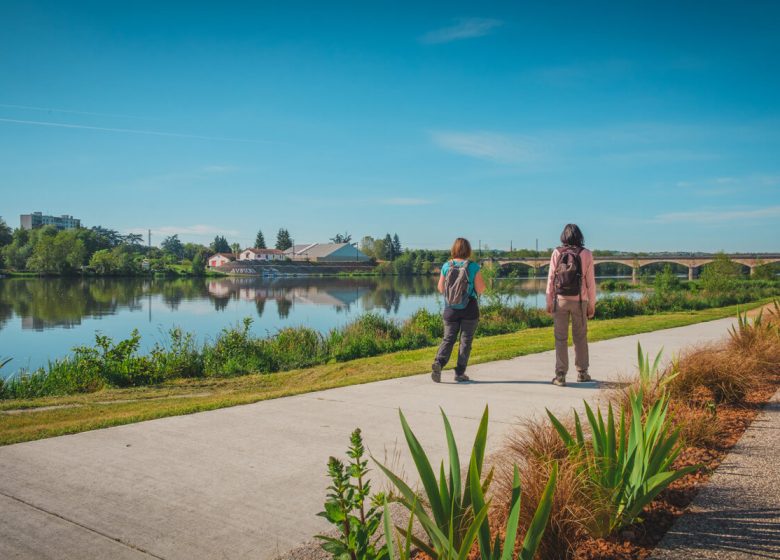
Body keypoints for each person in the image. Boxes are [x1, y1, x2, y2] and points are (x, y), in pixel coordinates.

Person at [545, 224, 596, 386]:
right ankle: (582, 373)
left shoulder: (556, 253)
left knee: (560, 338)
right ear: (579, 236)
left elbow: (551, 279)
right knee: (580, 337)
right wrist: (591, 304)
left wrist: (549, 301)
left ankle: (560, 375)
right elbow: (590, 282)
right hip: (580, 301)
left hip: (560, 300)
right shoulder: (586, 254)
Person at [431, 237, 486, 383]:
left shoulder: (446, 266)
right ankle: (460, 373)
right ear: (468, 250)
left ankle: (439, 362)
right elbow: (480, 289)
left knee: (448, 338)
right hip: (469, 308)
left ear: (453, 249)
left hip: (450, 309)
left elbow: (440, 288)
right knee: (465, 341)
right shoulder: (473, 266)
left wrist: (453, 295)